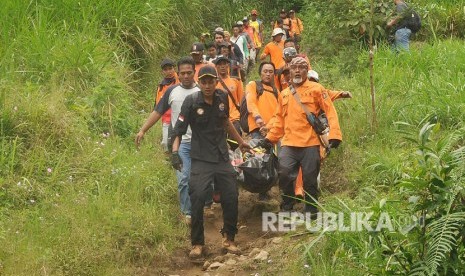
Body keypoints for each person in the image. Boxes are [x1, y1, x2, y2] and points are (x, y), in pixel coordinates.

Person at [171, 65, 251, 259]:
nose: (207, 85)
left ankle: (229, 239)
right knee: (197, 198)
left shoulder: (222, 97)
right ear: (199, 83)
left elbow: (226, 122)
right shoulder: (191, 102)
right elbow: (179, 130)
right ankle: (198, 243)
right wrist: (175, 152)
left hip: (222, 156)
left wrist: (241, 142)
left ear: (216, 82)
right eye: (204, 81)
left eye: (211, 81)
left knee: (231, 196)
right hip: (200, 158)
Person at [258, 57, 341, 215]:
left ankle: (311, 211)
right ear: (289, 72)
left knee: (310, 179)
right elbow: (279, 121)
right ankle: (287, 207)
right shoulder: (284, 94)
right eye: (294, 68)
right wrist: (270, 139)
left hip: (310, 143)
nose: (297, 70)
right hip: (289, 143)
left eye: (301, 67)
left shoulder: (316, 89)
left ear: (306, 71)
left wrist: (335, 135)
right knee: (284, 173)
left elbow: (330, 111)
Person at [135, 57, 201, 225]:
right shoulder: (171, 91)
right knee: (183, 179)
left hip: (201, 143)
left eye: (189, 73)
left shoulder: (201, 91)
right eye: (183, 73)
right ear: (178, 74)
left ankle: (201, 208)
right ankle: (187, 214)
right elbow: (158, 112)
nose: (186, 76)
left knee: (199, 180)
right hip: (180, 142)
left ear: (194, 72)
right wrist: (143, 130)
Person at [245, 62, 279, 201]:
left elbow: (278, 113)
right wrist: (258, 118)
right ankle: (258, 189)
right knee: (259, 160)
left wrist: (270, 127)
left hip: (272, 131)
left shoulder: (276, 91)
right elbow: (250, 102)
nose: (268, 74)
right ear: (260, 73)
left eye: (271, 71)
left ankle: (265, 189)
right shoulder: (253, 85)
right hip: (257, 129)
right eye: (265, 71)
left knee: (270, 160)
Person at [214, 55, 243, 141]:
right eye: (219, 64)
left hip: (234, 117)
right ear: (216, 67)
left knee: (235, 143)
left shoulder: (236, 81)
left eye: (224, 64)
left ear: (228, 65)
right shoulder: (213, 83)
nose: (222, 66)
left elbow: (241, 101)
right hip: (218, 119)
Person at [155, 58, 179, 153]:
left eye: (170, 68)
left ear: (174, 68)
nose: (168, 71)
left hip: (179, 118)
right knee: (165, 143)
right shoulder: (161, 85)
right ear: (162, 71)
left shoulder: (180, 80)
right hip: (166, 119)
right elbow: (158, 105)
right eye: (166, 69)